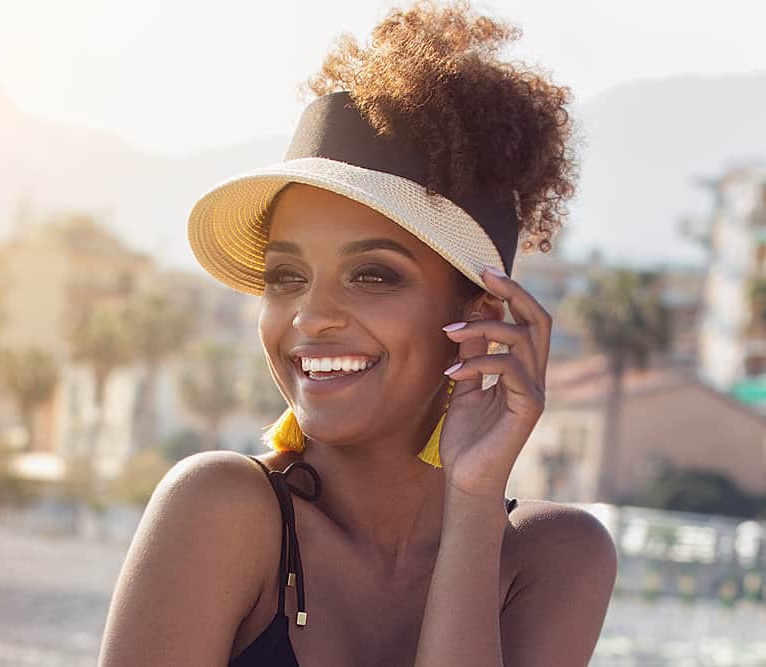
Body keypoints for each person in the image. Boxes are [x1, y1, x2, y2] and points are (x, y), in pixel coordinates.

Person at [99, 1, 617, 665]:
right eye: (286, 276)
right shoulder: (217, 512)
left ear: (481, 318)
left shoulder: (554, 557)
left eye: (372, 275)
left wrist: (473, 500)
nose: (310, 316)